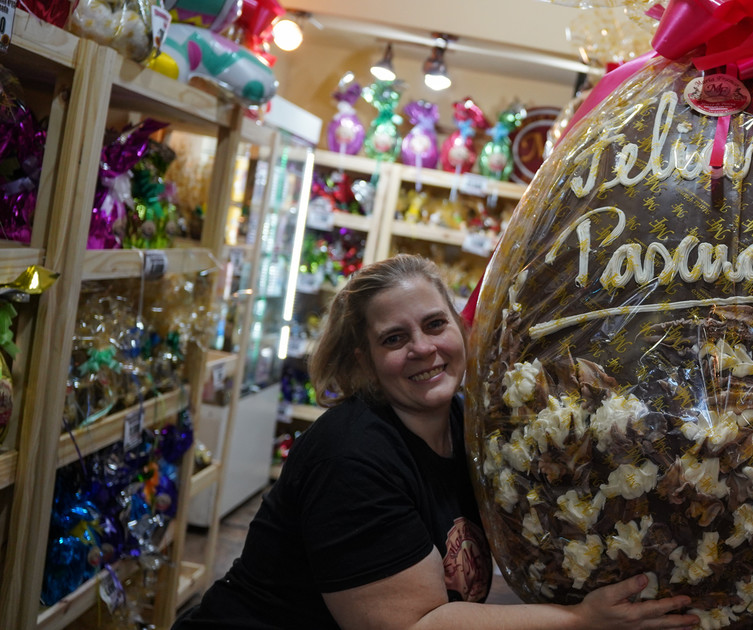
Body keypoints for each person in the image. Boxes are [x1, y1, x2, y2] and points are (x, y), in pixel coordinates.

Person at [174, 254, 698, 630]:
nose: (424, 348)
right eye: (394, 338)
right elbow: (414, 625)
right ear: (363, 360)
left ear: (461, 329)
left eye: (434, 324)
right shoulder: (350, 456)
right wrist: (579, 619)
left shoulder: (472, 426)